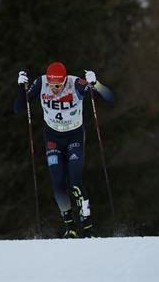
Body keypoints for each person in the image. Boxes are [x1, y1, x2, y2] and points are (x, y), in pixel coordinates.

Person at [14, 61, 110, 238]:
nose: (54, 89)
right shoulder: (41, 83)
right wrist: (21, 87)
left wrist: (96, 83)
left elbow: (108, 96)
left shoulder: (75, 84)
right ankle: (70, 227)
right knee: (58, 183)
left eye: (58, 85)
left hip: (74, 138)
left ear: (64, 81)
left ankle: (87, 227)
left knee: (74, 180)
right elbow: (19, 108)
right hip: (53, 140)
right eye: (51, 85)